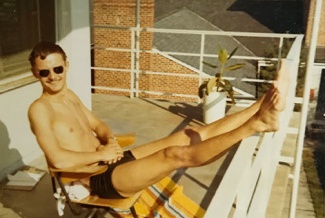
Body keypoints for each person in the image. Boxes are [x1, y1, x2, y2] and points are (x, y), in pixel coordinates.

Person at [28, 41, 289, 199]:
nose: (53, 76)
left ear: (67, 66)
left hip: (111, 160)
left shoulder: (69, 96)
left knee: (185, 135)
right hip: (96, 179)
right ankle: (258, 124)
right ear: (35, 74)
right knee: (175, 154)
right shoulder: (39, 109)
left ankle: (260, 105)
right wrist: (104, 153)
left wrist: (109, 142)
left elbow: (98, 125)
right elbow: (58, 159)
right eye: (44, 72)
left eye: (57, 69)